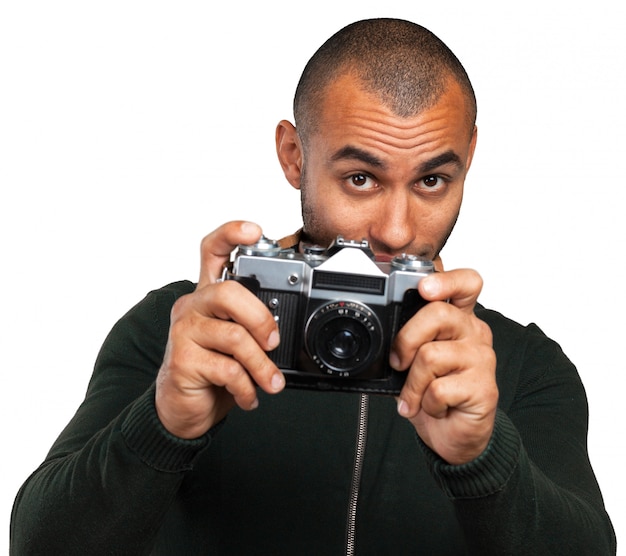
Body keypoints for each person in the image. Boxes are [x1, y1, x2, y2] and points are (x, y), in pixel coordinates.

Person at [10, 18, 616, 555]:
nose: (397, 231)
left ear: (469, 157)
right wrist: (162, 424)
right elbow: (37, 543)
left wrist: (484, 461)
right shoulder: (181, 332)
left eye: (431, 180)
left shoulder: (523, 368)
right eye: (360, 178)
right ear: (294, 155)